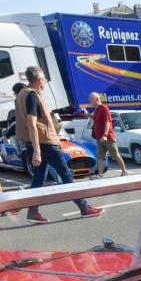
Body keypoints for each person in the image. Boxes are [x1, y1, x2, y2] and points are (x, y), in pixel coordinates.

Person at [14, 66, 102, 223]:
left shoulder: (22, 93)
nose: (45, 83)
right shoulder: (32, 95)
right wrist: (37, 151)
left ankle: (32, 212)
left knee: (39, 179)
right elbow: (31, 123)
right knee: (66, 174)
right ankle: (84, 207)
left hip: (36, 142)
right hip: (45, 142)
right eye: (44, 80)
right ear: (40, 81)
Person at [88, 92, 128, 178]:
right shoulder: (96, 109)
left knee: (116, 155)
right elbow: (97, 120)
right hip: (99, 138)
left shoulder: (104, 108)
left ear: (97, 99)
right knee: (100, 157)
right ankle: (100, 174)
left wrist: (105, 135)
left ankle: (124, 171)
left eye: (91, 99)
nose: (89, 101)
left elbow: (107, 122)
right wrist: (89, 116)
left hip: (108, 137)